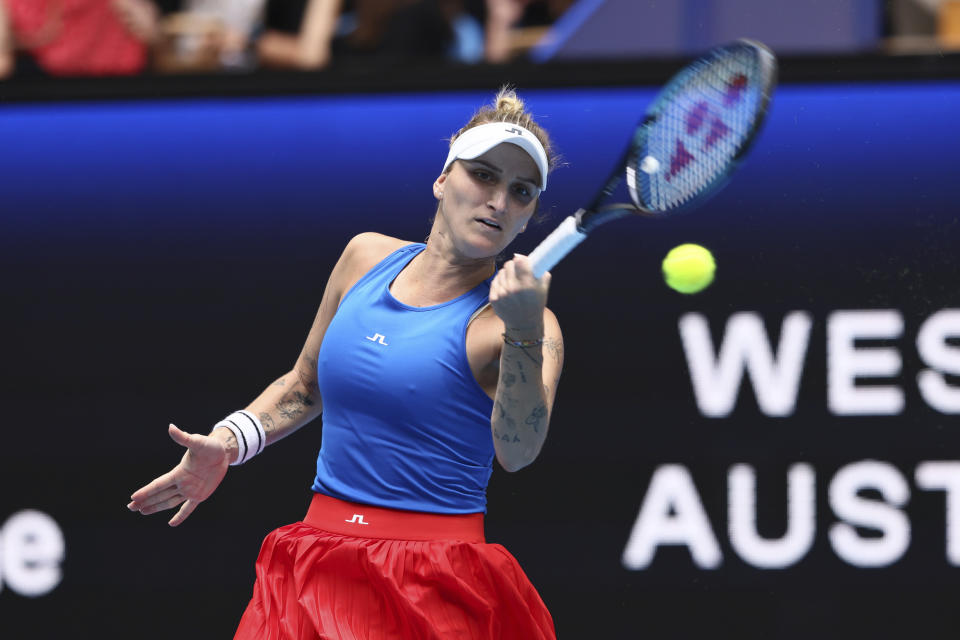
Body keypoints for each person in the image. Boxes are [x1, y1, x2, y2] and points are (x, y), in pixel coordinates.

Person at [128, 87, 563, 639]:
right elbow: (304, 384)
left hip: (435, 580)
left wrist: (523, 330)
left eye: (520, 192)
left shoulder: (524, 326)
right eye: (483, 176)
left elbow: (518, 453)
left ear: (528, 217)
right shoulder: (365, 257)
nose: (499, 201)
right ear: (442, 179)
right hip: (315, 563)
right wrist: (230, 443)